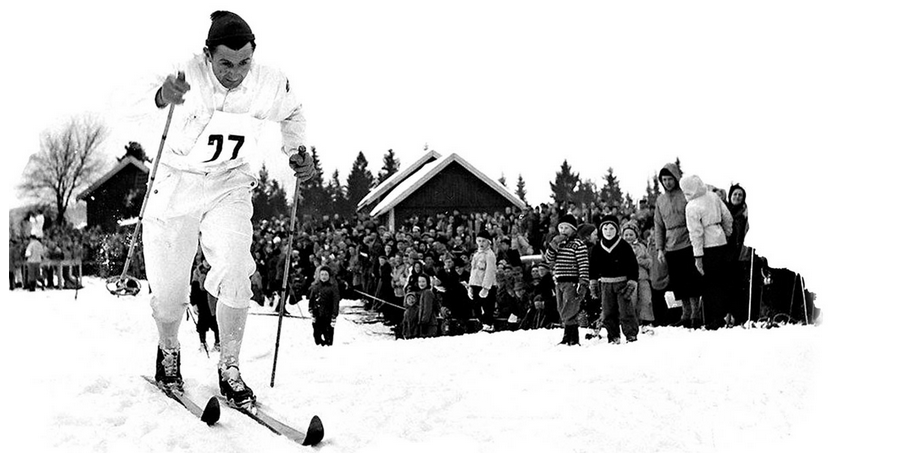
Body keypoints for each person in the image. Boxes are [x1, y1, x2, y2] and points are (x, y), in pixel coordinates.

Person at [140, 11, 316, 407]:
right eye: (225, 64)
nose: (235, 73)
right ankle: (169, 351)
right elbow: (138, 104)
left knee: (237, 270)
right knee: (169, 293)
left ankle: (230, 365)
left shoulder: (268, 81)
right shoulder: (185, 72)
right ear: (208, 56)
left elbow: (293, 113)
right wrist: (161, 96)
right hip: (177, 182)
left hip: (229, 181)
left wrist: (296, 151)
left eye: (243, 63)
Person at [653, 163, 703, 329]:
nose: (667, 182)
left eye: (670, 179)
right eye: (664, 180)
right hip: (670, 244)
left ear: (676, 178)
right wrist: (660, 248)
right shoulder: (660, 200)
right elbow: (658, 225)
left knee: (691, 281)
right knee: (678, 282)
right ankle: (685, 313)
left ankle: (696, 313)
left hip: (687, 241)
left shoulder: (685, 195)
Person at [681, 175, 733, 330]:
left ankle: (713, 319)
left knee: (709, 284)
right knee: (721, 281)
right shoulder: (713, 196)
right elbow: (727, 217)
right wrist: (726, 234)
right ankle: (724, 315)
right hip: (721, 240)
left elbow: (695, 233)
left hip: (706, 246)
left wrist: (698, 256)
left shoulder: (691, 206)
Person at [589, 216, 640, 343]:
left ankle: (631, 334)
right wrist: (593, 282)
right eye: (605, 228)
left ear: (617, 230)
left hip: (622, 284)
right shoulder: (597, 248)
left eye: (612, 228)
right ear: (601, 230)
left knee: (625, 311)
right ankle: (613, 336)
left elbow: (633, 265)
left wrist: (632, 281)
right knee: (608, 312)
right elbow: (593, 268)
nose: (608, 231)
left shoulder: (624, 246)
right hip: (605, 284)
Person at [545, 214, 590, 345]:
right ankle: (567, 335)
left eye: (566, 228)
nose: (563, 231)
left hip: (572, 280)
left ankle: (573, 337)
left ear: (573, 230)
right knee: (561, 308)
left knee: (570, 308)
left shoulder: (578, 244)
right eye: (561, 228)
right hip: (559, 280)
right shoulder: (558, 244)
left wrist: (583, 281)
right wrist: (552, 246)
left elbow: (583, 264)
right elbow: (549, 259)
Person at [725, 184, 750, 326]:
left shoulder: (746, 214)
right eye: (735, 194)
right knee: (728, 286)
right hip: (727, 253)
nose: (737, 197)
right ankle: (728, 315)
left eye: (740, 195)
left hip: (741, 254)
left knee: (739, 287)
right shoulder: (725, 212)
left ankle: (739, 315)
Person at [622, 221, 654, 326]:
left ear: (636, 235)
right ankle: (631, 320)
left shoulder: (642, 247)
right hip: (629, 279)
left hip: (643, 277)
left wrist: (642, 262)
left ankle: (645, 320)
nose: (628, 237)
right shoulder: (621, 248)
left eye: (631, 234)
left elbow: (650, 261)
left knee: (645, 298)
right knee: (631, 299)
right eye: (626, 235)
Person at [468, 230, 498, 332]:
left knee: (487, 307)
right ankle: (483, 323)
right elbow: (473, 271)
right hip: (476, 284)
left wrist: (486, 288)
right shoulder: (477, 254)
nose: (481, 243)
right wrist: (470, 286)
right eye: (479, 241)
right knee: (477, 308)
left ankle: (488, 325)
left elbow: (490, 272)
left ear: (488, 242)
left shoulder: (490, 255)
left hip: (486, 286)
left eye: (483, 241)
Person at [308, 266, 341, 346]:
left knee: (328, 331)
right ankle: (318, 343)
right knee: (316, 330)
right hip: (317, 312)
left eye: (326, 275)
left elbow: (335, 302)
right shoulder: (315, 287)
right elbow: (311, 298)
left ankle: (328, 344)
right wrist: (311, 308)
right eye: (322, 274)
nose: (324, 277)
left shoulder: (333, 288)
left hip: (328, 313)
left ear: (329, 276)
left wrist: (334, 314)